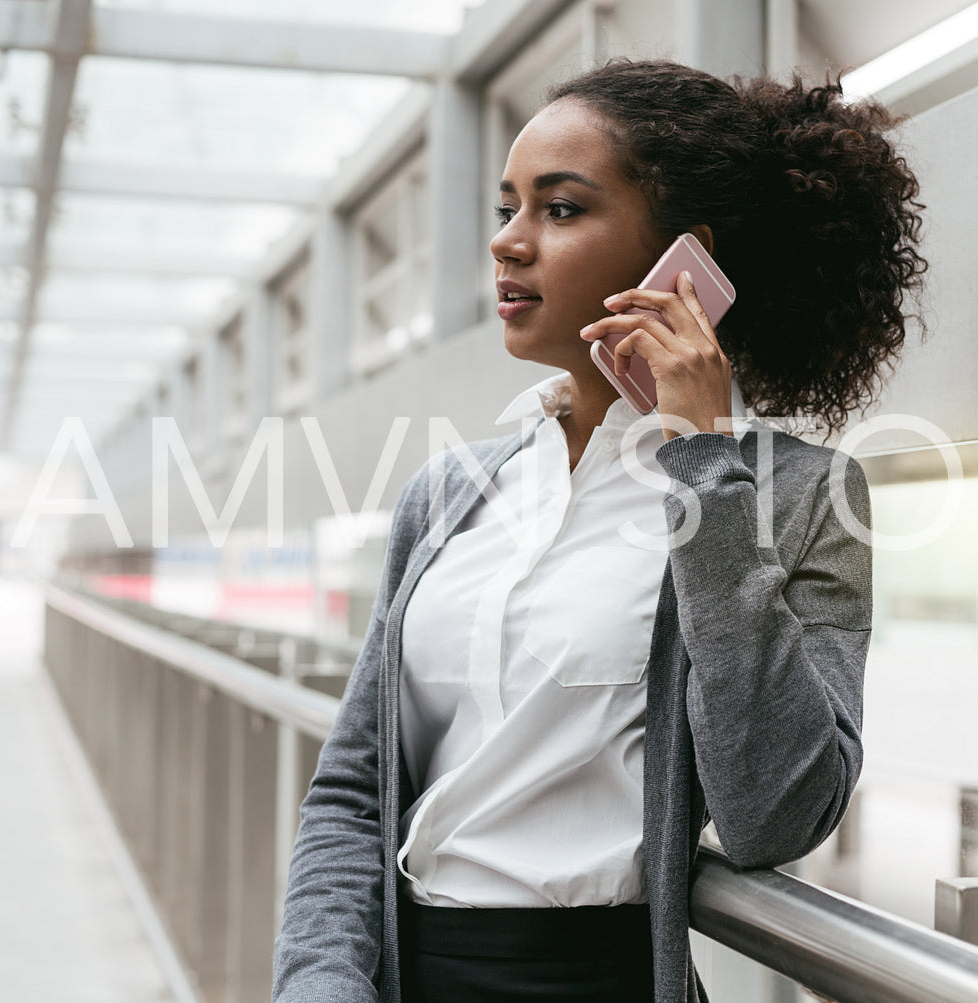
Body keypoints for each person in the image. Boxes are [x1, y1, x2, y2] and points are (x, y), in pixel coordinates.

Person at [272, 58, 927, 1003]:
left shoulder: (799, 495)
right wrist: (318, 986)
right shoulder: (449, 491)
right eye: (507, 209)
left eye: (561, 209)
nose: (509, 244)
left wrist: (702, 462)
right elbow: (351, 792)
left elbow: (774, 811)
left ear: (684, 261)